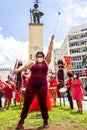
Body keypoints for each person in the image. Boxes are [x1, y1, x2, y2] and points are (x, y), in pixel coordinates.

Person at [14, 35, 55, 129]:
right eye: (38, 56)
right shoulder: (32, 62)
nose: (39, 57)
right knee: (27, 102)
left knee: (42, 102)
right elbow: (24, 67)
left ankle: (45, 121)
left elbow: (50, 50)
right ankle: (21, 121)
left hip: (43, 85)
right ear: (36, 57)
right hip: (32, 84)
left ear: (43, 57)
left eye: (41, 56)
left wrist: (52, 40)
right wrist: (17, 70)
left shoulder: (46, 62)